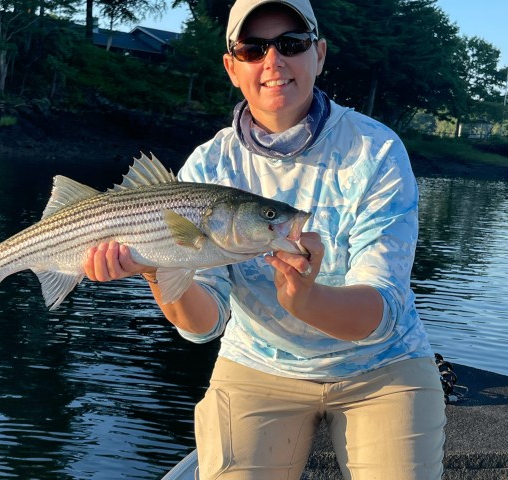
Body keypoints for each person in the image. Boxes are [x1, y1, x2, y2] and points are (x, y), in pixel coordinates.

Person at [84, 0, 446, 477]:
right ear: (232, 67)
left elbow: (382, 313)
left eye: (290, 44)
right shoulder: (208, 166)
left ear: (319, 54)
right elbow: (203, 324)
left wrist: (307, 300)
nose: (273, 61)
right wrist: (155, 268)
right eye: (253, 49)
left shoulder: (375, 150)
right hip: (257, 364)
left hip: (382, 367)